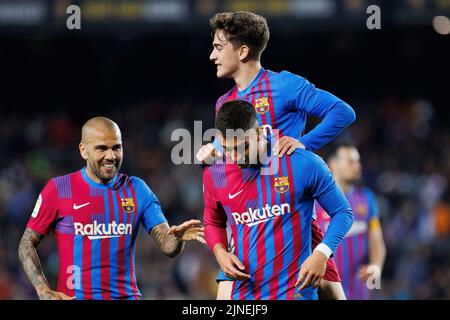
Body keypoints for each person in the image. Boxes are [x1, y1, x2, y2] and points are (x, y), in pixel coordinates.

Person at [196, 11, 356, 299]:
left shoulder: (284, 85)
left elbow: (343, 112)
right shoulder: (224, 103)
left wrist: (304, 142)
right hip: (251, 217)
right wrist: (214, 151)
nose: (212, 56)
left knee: (330, 292)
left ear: (243, 51)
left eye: (219, 47)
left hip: (291, 211)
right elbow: (233, 152)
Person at [18, 117, 205, 300]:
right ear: (83, 150)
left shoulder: (137, 189)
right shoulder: (59, 189)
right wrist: (43, 289)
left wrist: (178, 238)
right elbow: (26, 244)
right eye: (102, 148)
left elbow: (167, 245)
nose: (111, 156)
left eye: (116, 147)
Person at [203, 100, 354, 300]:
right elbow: (213, 221)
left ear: (258, 133)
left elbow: (343, 212)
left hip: (295, 292)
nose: (236, 157)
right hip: (244, 294)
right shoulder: (215, 172)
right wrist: (220, 252)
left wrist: (321, 253)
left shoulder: (303, 163)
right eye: (227, 149)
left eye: (244, 147)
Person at [316, 144, 386, 299]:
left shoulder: (366, 198)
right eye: (350, 161)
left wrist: (376, 265)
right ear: (332, 165)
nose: (357, 166)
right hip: (325, 288)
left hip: (359, 286)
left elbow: (377, 240)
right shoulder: (314, 202)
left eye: (358, 161)